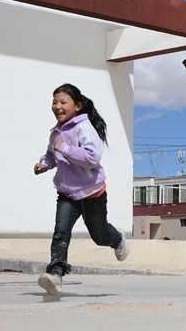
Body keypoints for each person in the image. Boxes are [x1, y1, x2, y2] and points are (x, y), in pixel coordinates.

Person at [34, 83, 129, 296]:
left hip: (92, 192)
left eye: (62, 102)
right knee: (61, 231)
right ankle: (55, 273)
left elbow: (92, 158)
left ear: (77, 106)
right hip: (67, 193)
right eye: (54, 102)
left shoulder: (84, 128)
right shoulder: (56, 133)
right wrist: (44, 164)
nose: (57, 106)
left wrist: (65, 149)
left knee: (99, 235)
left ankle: (116, 238)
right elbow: (51, 155)